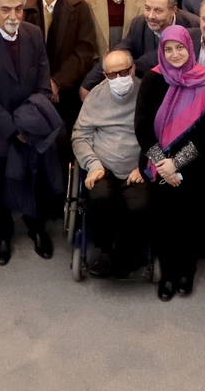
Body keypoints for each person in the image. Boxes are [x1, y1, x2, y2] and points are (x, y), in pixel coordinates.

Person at [0, 0, 63, 266]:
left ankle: (37, 228)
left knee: (36, 180)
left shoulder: (34, 34)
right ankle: (2, 234)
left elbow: (43, 81)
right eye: (6, 9)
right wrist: (14, 128)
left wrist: (30, 123)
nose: (13, 16)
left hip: (32, 126)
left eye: (18, 9)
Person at [136, 25, 205, 300]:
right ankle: (167, 274)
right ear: (161, 51)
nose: (175, 54)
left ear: (189, 47)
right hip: (158, 166)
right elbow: (142, 127)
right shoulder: (152, 79)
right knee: (163, 221)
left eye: (180, 48)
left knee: (190, 220)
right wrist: (162, 163)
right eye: (168, 49)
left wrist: (177, 163)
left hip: (194, 166)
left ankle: (187, 271)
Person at [71, 49, 150, 278]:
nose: (118, 78)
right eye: (112, 75)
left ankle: (126, 251)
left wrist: (146, 165)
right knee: (99, 197)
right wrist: (93, 164)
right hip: (102, 165)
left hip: (137, 167)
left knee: (140, 204)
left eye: (123, 72)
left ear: (133, 69)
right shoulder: (95, 97)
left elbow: (158, 135)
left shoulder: (147, 94)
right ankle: (105, 250)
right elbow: (80, 135)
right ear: (105, 75)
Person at [26, 0, 104, 124]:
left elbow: (84, 51)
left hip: (68, 91)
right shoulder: (24, 7)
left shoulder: (79, 7)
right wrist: (42, 85)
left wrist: (57, 82)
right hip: (30, 91)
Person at [80, 0, 198, 91]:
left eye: (158, 10)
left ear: (173, 10)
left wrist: (130, 68)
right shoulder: (139, 24)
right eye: (147, 8)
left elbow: (158, 58)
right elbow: (119, 52)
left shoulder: (193, 26)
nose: (151, 16)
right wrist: (88, 84)